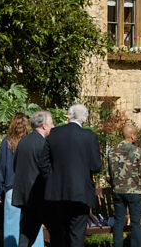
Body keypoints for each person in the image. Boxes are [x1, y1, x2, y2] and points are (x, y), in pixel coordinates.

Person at [45, 103, 103, 247]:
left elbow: (45, 162)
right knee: (77, 235)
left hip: (56, 193)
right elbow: (96, 166)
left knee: (58, 235)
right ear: (85, 119)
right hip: (80, 193)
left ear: (69, 116)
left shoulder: (54, 133)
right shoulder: (89, 136)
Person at [0, 113, 45, 247]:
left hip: (12, 188)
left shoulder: (7, 142)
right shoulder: (31, 142)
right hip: (30, 189)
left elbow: (1, 168)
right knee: (33, 226)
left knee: (12, 227)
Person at [13, 110, 53, 247]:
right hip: (41, 196)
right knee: (57, 231)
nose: (53, 127)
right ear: (44, 126)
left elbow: (15, 166)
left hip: (25, 196)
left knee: (25, 235)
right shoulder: (44, 144)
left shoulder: (23, 141)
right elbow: (46, 169)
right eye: (51, 123)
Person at [108, 123, 141, 247]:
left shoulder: (111, 151)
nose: (136, 137)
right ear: (132, 136)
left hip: (118, 191)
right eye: (135, 135)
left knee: (119, 221)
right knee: (135, 222)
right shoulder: (138, 151)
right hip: (134, 192)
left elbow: (108, 176)